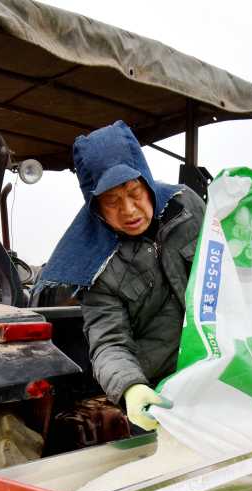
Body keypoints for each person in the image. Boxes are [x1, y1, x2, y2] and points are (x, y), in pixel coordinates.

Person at [35, 120, 205, 430]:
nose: (128, 210)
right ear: (94, 204)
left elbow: (228, 256)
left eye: (133, 192)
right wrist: (130, 387)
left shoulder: (187, 207)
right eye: (112, 201)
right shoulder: (93, 265)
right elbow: (108, 342)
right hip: (159, 390)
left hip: (213, 368)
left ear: (146, 180)